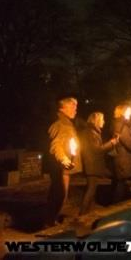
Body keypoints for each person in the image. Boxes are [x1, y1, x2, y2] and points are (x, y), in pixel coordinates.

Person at [47, 96, 82, 226]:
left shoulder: (66, 123)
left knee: (61, 195)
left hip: (64, 168)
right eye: (72, 106)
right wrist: (63, 159)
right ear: (62, 107)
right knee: (59, 195)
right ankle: (49, 222)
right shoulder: (60, 124)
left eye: (76, 107)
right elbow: (55, 145)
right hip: (61, 168)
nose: (75, 110)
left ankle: (52, 220)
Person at [79, 112, 118, 215]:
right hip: (91, 164)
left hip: (93, 164)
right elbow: (97, 150)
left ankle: (87, 212)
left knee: (92, 188)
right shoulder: (90, 132)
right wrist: (111, 143)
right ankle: (82, 213)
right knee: (91, 189)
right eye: (102, 119)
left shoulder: (93, 132)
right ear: (96, 120)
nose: (104, 122)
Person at [111, 104, 131, 202]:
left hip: (125, 157)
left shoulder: (124, 124)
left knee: (122, 181)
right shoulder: (121, 125)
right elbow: (128, 141)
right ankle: (117, 204)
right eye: (127, 110)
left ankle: (119, 202)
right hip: (123, 157)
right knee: (121, 181)